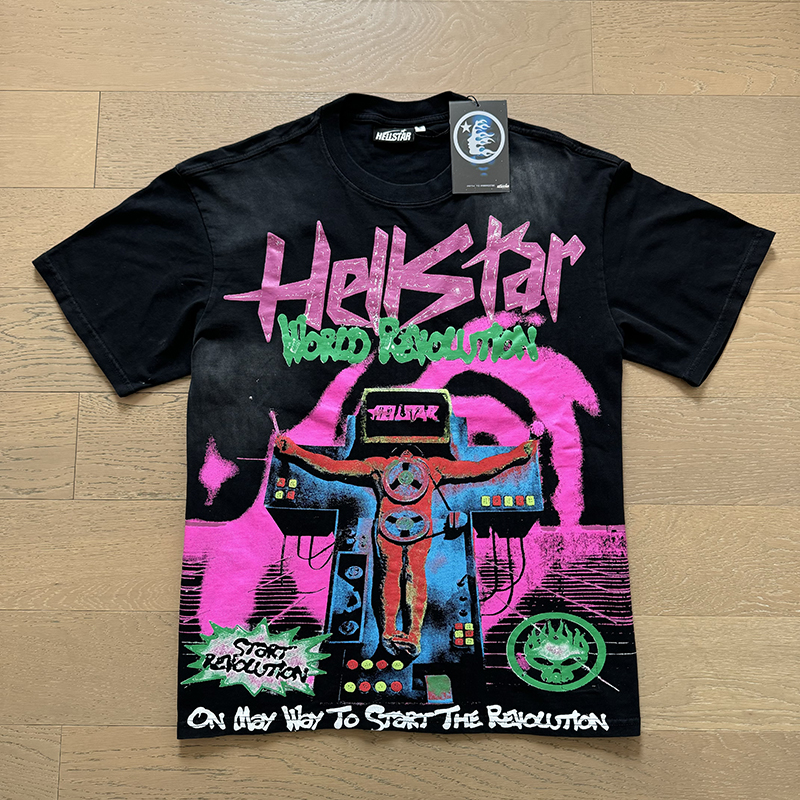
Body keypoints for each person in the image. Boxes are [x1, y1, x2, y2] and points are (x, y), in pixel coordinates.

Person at [275, 433, 537, 657]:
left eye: (409, 453)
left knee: (400, 576)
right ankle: (398, 634)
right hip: (395, 531)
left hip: (409, 531)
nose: (407, 456)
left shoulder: (389, 465)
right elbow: (480, 468)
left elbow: (331, 468)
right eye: (404, 453)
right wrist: (517, 455)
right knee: (406, 576)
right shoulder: (421, 466)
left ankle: (402, 635)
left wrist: (295, 451)